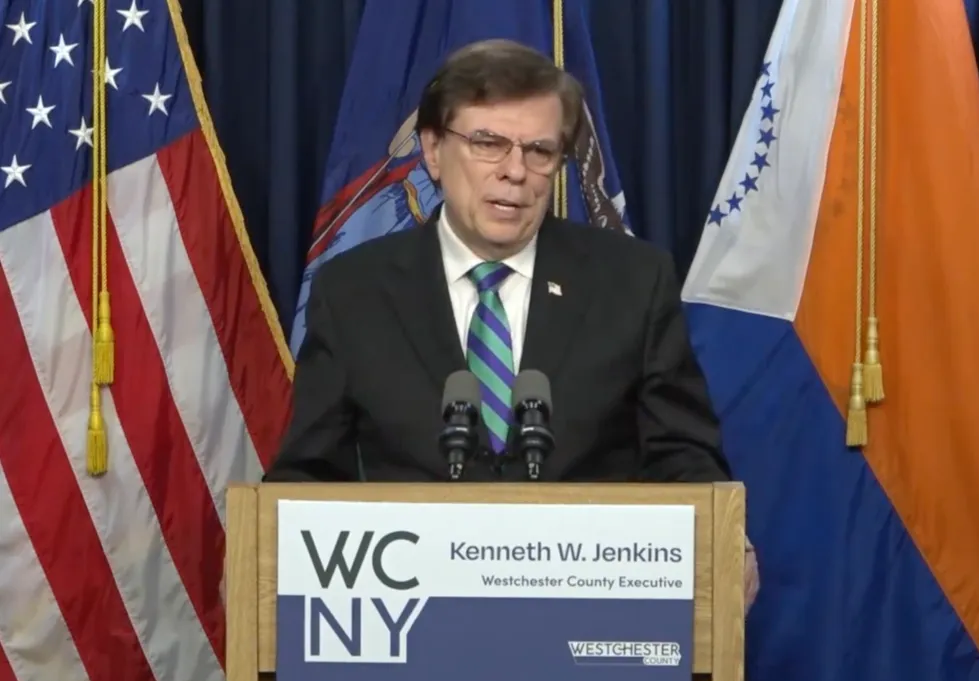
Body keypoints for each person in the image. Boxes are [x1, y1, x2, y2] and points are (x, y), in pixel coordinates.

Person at [262, 39, 758, 608]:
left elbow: (683, 454)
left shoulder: (633, 281)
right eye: (488, 143)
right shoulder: (354, 292)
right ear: (431, 150)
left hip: (589, 614)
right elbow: (308, 471)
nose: (515, 172)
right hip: (410, 617)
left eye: (540, 151)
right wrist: (265, 556)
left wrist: (724, 538)